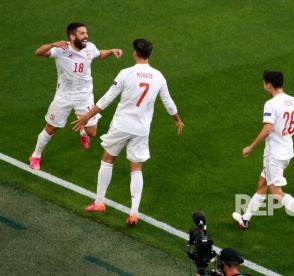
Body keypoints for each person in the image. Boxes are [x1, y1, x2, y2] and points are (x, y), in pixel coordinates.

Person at [72, 38, 184, 225]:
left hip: (121, 126)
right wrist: (178, 120)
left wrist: (85, 117)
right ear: (149, 54)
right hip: (141, 130)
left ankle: (99, 202)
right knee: (136, 168)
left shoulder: (126, 73)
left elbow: (107, 98)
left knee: (108, 159)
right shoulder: (158, 76)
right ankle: (133, 213)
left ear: (135, 53)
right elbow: (169, 103)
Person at [232, 70, 294, 236]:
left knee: (276, 192)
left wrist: (250, 147)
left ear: (269, 85)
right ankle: (245, 219)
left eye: (264, 83)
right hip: (287, 152)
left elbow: (267, 129)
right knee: (262, 183)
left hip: (274, 155)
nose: (263, 85)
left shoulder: (270, 104)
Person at [29, 22, 123, 170]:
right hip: (64, 96)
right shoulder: (61, 49)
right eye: (82, 34)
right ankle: (36, 155)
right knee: (51, 128)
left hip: (84, 96)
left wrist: (111, 51)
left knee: (92, 132)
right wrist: (53, 44)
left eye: (86, 33)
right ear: (72, 36)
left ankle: (82, 131)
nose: (86, 36)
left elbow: (99, 54)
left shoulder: (90, 48)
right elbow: (38, 52)